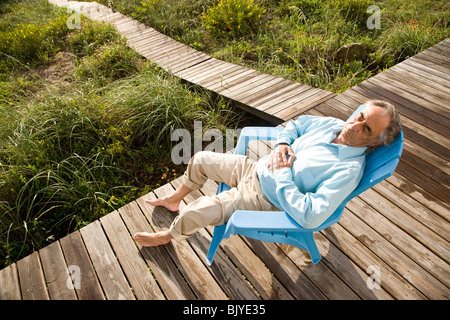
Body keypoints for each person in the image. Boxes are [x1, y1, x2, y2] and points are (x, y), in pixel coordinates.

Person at [133, 100, 401, 247]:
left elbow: (311, 216)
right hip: (256, 167)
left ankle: (168, 237)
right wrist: (283, 144)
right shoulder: (334, 125)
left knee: (196, 212)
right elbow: (296, 125)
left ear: (375, 143)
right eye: (360, 116)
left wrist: (283, 176)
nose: (354, 125)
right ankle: (175, 198)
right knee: (200, 158)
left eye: (366, 129)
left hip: (264, 200)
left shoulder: (348, 170)